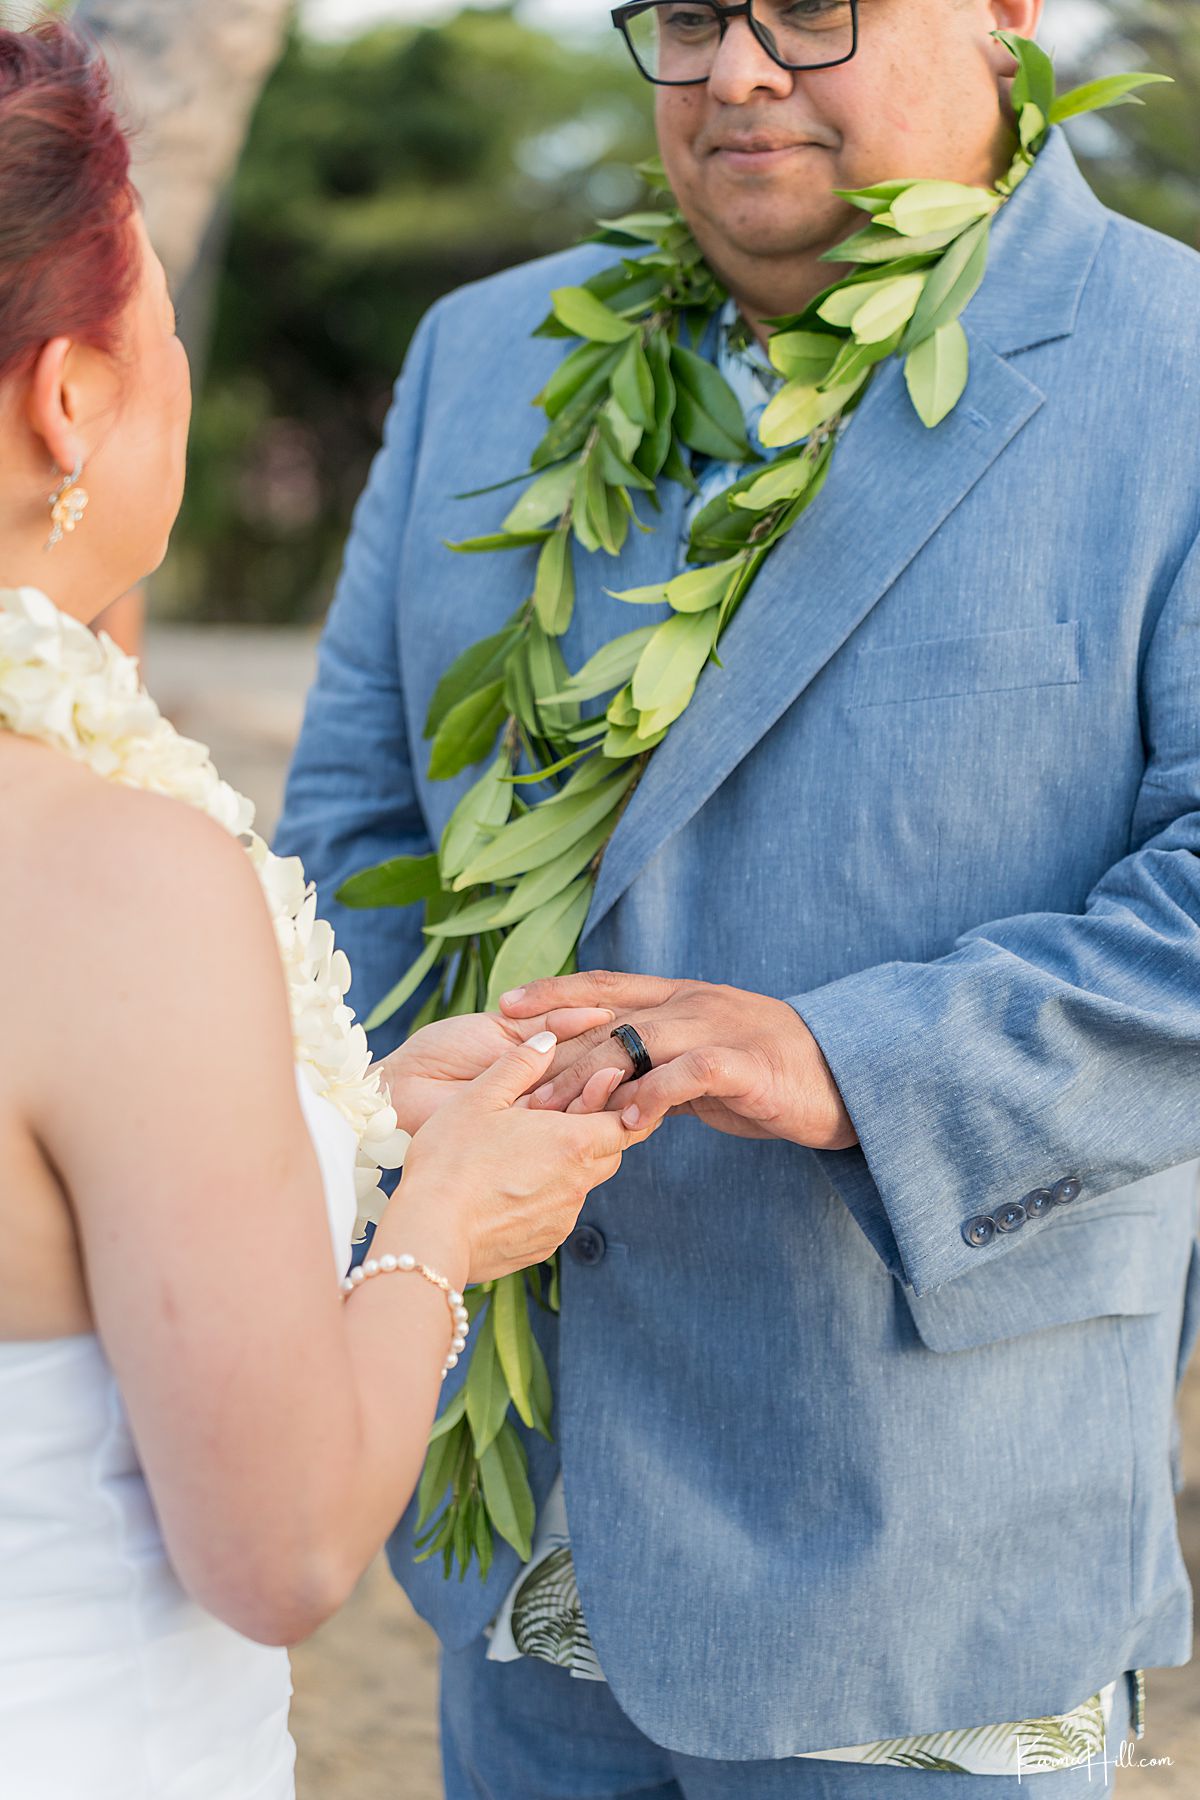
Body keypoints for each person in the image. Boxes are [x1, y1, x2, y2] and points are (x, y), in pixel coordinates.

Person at [279, 0, 1200, 1793]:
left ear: (1011, 13)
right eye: (691, 15)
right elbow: (352, 828)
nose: (744, 69)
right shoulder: (479, 352)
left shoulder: (1183, 365)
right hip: (516, 1502)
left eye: (814, 6)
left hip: (931, 1515)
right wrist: (401, 1158)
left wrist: (849, 1058)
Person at [0, 19, 650, 1798]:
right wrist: (438, 1226)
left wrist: (354, 1133)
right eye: (167, 331)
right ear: (74, 396)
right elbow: (278, 1549)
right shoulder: (107, 876)